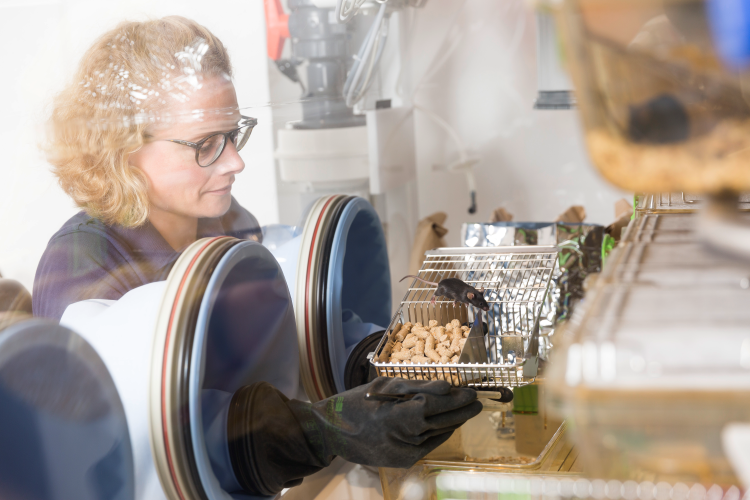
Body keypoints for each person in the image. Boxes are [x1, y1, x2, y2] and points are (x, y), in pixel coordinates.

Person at [33, 16, 482, 497]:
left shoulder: (219, 220)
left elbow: (285, 314)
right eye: (205, 144)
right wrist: (321, 430)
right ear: (122, 149)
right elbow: (132, 434)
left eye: (234, 133)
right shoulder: (79, 267)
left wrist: (375, 360)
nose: (235, 161)